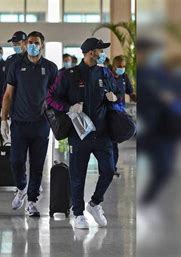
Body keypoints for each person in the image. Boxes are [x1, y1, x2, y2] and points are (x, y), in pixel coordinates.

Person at [49, 38, 122, 229]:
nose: (102, 54)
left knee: (108, 170)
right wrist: (68, 107)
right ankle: (78, 213)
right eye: (100, 50)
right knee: (77, 175)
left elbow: (118, 98)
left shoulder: (105, 72)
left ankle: (95, 203)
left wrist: (114, 99)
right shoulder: (67, 74)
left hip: (103, 134)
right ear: (91, 53)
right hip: (79, 135)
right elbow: (50, 98)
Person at [0, 31, 58, 217]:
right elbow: (8, 94)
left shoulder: (50, 68)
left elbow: (55, 95)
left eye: (36, 42)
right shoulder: (16, 65)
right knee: (16, 161)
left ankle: (32, 201)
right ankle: (21, 187)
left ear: (42, 45)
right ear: (26, 44)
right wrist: (3, 119)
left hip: (41, 123)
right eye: (30, 42)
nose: (33, 45)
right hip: (19, 122)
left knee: (37, 164)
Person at [111, 55, 135, 176]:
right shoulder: (107, 77)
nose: (122, 68)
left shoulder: (124, 77)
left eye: (124, 66)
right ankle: (109, 167)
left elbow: (131, 93)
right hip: (108, 113)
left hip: (120, 113)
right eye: (119, 66)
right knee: (110, 142)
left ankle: (112, 167)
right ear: (113, 66)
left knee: (115, 141)